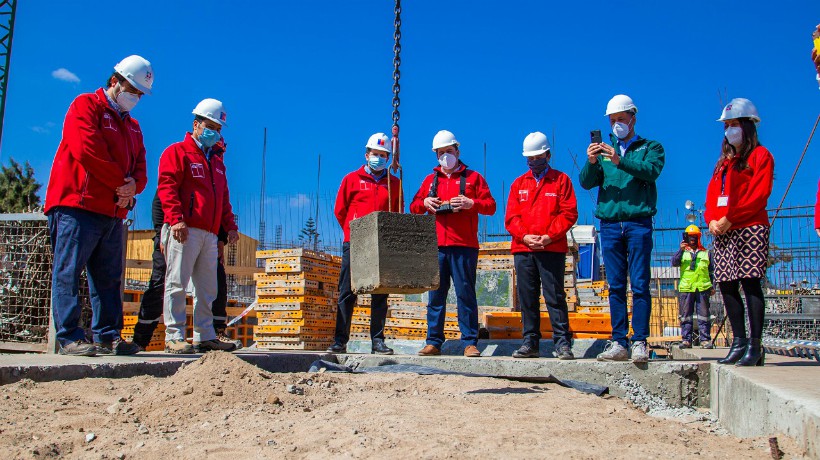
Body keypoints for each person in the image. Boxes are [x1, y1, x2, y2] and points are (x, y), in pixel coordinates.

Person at [44, 55, 153, 356]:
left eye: (140, 94)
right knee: (69, 271)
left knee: (108, 277)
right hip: (77, 205)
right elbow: (87, 149)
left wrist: (133, 188)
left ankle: (108, 335)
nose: (136, 97)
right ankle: (70, 337)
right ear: (115, 81)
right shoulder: (86, 106)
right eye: (133, 89)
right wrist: (122, 184)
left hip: (112, 211)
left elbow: (141, 167)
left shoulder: (132, 127)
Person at [579, 94, 665, 363]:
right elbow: (586, 183)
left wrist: (620, 161)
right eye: (612, 120)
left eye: (621, 119)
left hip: (638, 223)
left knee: (639, 284)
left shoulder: (650, 147)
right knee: (615, 285)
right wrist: (592, 162)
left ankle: (639, 340)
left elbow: (651, 171)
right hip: (610, 224)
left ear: (633, 118)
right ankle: (619, 341)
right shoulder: (604, 151)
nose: (616, 124)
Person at [157, 98, 239, 354]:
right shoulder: (177, 152)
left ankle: (204, 335)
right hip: (185, 229)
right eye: (210, 126)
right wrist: (176, 218)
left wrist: (229, 226)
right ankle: (174, 335)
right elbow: (167, 187)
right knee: (177, 283)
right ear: (196, 124)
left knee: (207, 287)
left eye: (219, 128)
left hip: (210, 234)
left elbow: (222, 198)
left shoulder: (217, 163)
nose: (215, 132)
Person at [410, 130, 496, 357]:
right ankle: (434, 342)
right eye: (441, 153)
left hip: (464, 246)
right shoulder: (430, 181)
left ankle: (469, 342)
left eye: (449, 151)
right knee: (435, 296)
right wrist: (425, 201)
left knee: (465, 294)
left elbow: (491, 206)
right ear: (436, 156)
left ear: (457, 151)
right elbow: (414, 206)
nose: (445, 156)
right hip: (437, 246)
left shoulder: (474, 178)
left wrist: (471, 203)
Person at [705, 98, 774, 367]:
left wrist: (730, 218)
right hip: (722, 230)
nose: (730, 130)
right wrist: (712, 219)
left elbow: (759, 194)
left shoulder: (761, 156)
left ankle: (755, 346)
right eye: (727, 125)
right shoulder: (723, 163)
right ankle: (738, 342)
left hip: (749, 226)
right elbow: (712, 195)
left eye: (734, 124)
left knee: (750, 282)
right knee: (727, 285)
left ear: (748, 126)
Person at [132, 194, 242, 350]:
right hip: (177, 233)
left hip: (206, 238)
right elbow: (163, 197)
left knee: (214, 284)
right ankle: (142, 338)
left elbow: (217, 205)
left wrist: (221, 238)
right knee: (162, 282)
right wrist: (162, 233)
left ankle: (214, 332)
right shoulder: (182, 177)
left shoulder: (214, 175)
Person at [505, 132, 578, 359]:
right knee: (527, 297)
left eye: (538, 156)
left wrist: (549, 236)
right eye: (530, 158)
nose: (534, 161)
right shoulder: (519, 184)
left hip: (551, 249)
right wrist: (525, 236)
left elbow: (568, 213)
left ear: (547, 154)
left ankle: (562, 343)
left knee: (554, 296)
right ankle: (530, 342)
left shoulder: (561, 180)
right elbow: (511, 217)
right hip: (524, 249)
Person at [327, 133, 401, 355]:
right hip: (356, 242)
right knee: (347, 291)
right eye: (375, 154)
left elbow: (397, 211)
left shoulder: (394, 183)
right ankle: (340, 340)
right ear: (366, 154)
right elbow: (340, 210)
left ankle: (377, 341)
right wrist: (352, 232)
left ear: (388, 158)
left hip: (382, 244)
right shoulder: (351, 179)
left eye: (383, 155)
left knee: (380, 293)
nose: (378, 158)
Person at [671, 225, 714, 349]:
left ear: (699, 237)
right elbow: (674, 263)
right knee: (685, 315)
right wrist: (681, 250)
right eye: (690, 237)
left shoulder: (706, 253)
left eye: (694, 236)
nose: (692, 239)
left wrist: (712, 286)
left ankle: (705, 340)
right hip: (686, 288)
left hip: (703, 287)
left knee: (704, 315)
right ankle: (686, 340)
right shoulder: (683, 252)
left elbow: (712, 271)